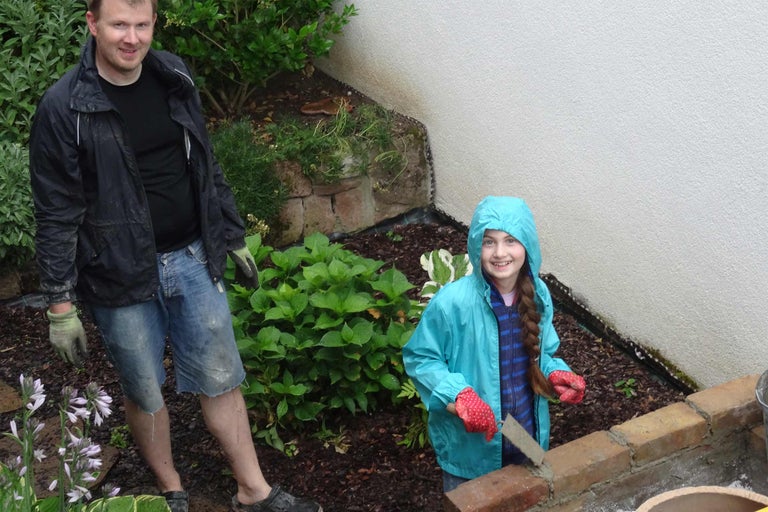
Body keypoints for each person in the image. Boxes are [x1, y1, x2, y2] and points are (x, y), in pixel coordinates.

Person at [28, 0, 322, 511]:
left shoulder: (173, 76)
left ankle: (253, 490)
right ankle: (171, 489)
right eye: (120, 24)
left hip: (191, 256)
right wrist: (59, 303)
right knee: (145, 388)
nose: (132, 37)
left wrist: (230, 234)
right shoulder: (64, 107)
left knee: (222, 379)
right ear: (93, 24)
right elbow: (55, 211)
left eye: (142, 25)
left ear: (154, 25)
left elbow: (205, 162)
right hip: (118, 274)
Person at [403, 196, 586, 492]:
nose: (500, 253)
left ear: (527, 245)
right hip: (474, 449)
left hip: (525, 436)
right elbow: (421, 359)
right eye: (489, 242)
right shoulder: (453, 303)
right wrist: (460, 396)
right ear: (477, 245)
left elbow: (543, 353)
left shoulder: (538, 294)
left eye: (511, 240)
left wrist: (555, 373)